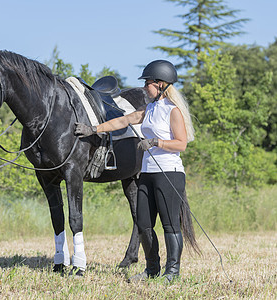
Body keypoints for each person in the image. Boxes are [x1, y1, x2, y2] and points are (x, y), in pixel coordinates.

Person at [74, 60, 199, 283]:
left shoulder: (173, 111)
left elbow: (181, 144)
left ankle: (172, 273)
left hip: (169, 173)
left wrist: (155, 142)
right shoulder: (148, 109)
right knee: (143, 223)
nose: (144, 88)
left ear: (160, 84)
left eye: (147, 83)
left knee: (170, 225)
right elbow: (122, 120)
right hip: (148, 173)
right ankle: (152, 270)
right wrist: (93, 129)